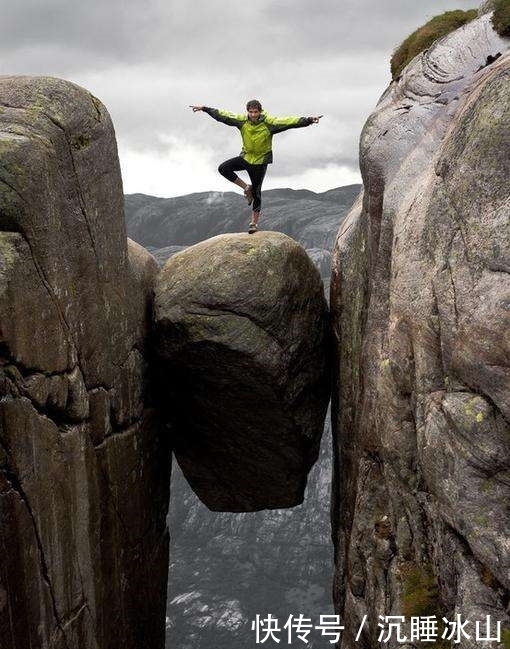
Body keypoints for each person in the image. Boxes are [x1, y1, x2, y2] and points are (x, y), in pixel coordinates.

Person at [190, 100, 323, 233]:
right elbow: (223, 116)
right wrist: (205, 109)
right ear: (247, 111)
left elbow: (289, 121)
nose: (253, 115)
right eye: (251, 112)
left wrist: (309, 120)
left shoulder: (269, 123)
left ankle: (253, 223)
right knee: (223, 168)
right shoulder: (242, 121)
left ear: (260, 111)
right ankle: (246, 187)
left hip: (260, 161)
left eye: (256, 112)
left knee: (257, 192)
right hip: (246, 157)